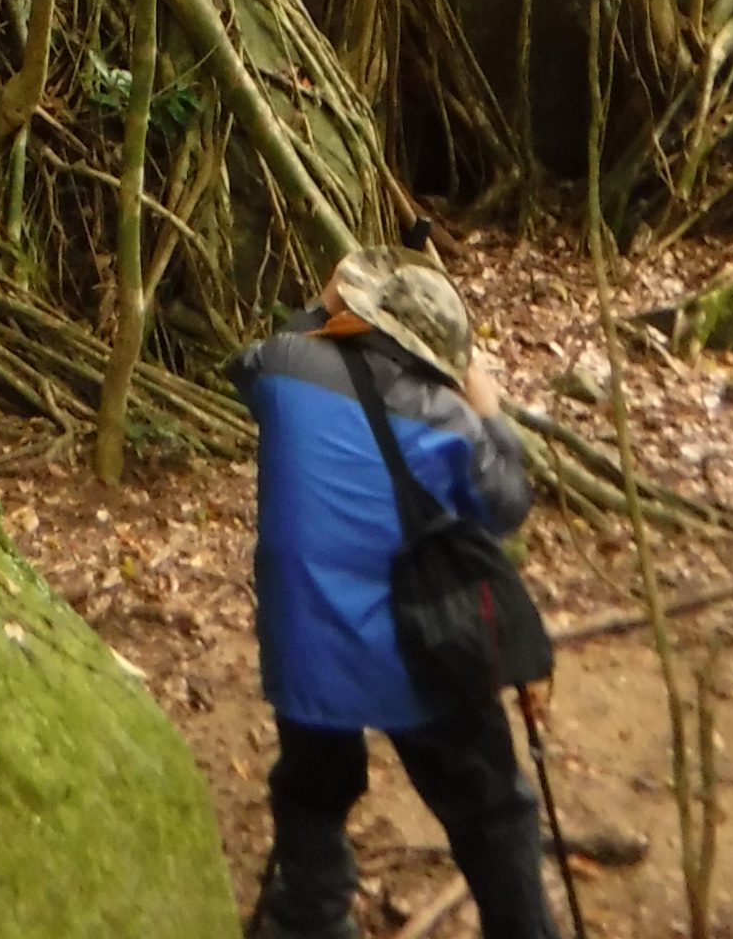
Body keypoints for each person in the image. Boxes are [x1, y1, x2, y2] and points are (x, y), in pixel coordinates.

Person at [233, 246, 560, 939]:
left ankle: (313, 920)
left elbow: (260, 358)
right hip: (420, 650)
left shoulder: (284, 368)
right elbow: (505, 503)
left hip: (307, 650)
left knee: (311, 790)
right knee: (491, 806)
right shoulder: (447, 418)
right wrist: (491, 409)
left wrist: (325, 305)